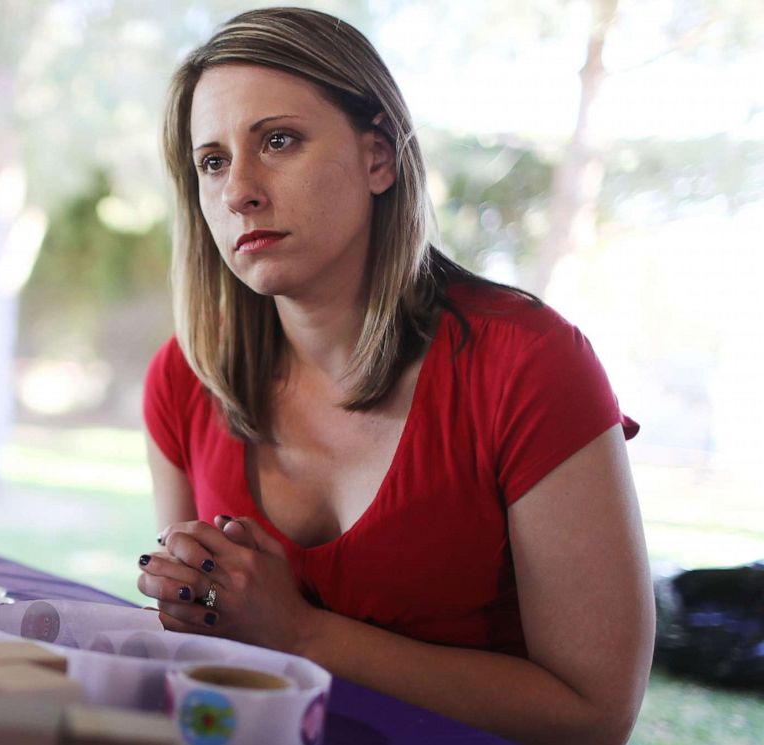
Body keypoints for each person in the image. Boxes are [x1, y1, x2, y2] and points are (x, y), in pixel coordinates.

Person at [136, 7, 654, 745]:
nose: (238, 190)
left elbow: (595, 715)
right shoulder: (184, 378)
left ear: (379, 156)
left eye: (277, 141)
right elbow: (203, 657)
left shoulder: (531, 364)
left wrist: (302, 633)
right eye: (212, 161)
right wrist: (189, 595)